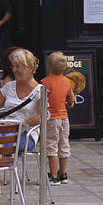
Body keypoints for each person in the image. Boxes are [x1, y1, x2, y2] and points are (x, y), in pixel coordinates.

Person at [0, 48, 46, 200]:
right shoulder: (9, 87)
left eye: (18, 66)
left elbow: (41, 116)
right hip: (3, 131)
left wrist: (20, 125)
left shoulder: (40, 90)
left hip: (25, 134)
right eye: (13, 66)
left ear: (31, 68)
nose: (14, 70)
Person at [40, 52, 76, 184]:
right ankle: (63, 174)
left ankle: (54, 176)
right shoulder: (67, 81)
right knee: (64, 145)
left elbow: (41, 101)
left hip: (51, 119)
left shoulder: (45, 82)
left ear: (49, 65)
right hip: (64, 119)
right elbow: (71, 100)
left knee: (52, 147)